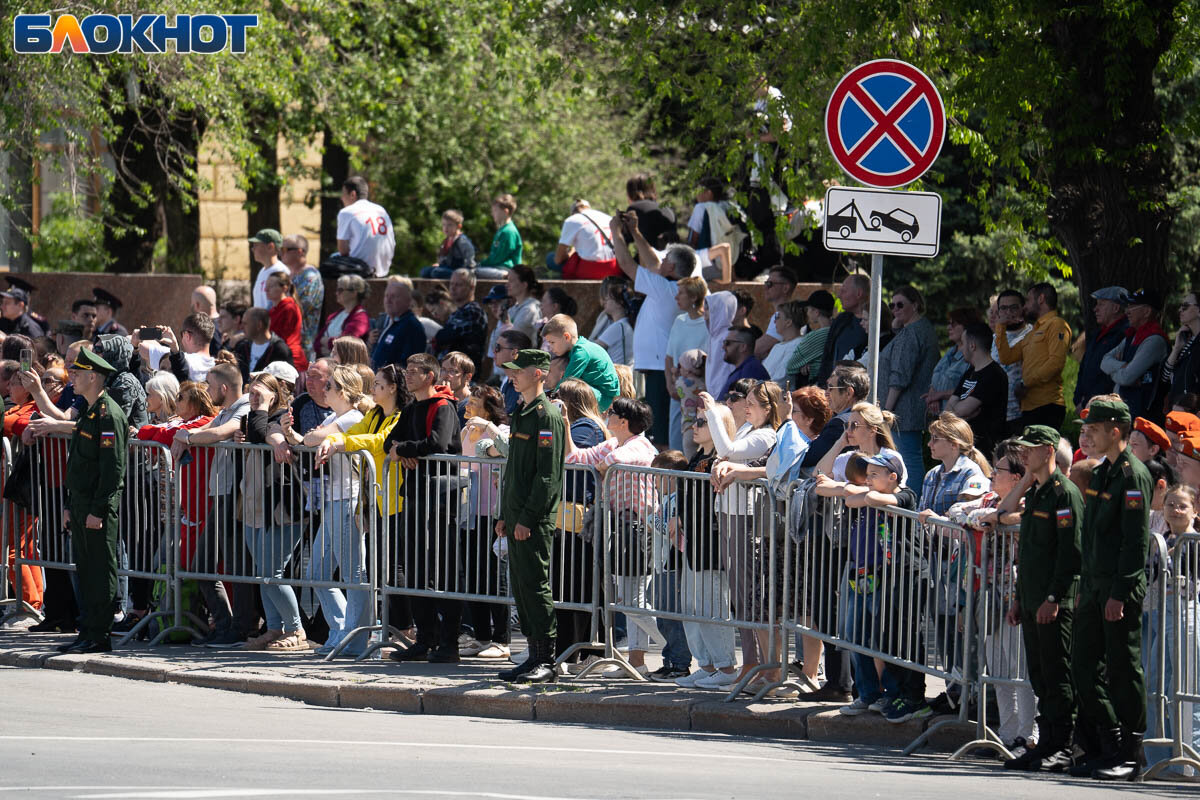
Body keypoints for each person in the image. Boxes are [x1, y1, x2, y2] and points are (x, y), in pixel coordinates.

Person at [1069, 398, 1153, 780]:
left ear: (1114, 431)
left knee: (1122, 670)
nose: (1089, 435)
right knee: (1083, 666)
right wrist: (1087, 585)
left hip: (1118, 587)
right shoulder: (1102, 472)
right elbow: (1092, 536)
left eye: (1095, 429)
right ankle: (1107, 743)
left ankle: (1130, 754)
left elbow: (1134, 543)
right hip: (1094, 584)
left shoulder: (1132, 476)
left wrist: (1120, 592)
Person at [816, 451, 919, 717]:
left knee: (886, 638)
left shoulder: (906, 494)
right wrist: (858, 492)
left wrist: (860, 492)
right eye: (868, 474)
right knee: (855, 636)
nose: (869, 479)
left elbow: (869, 497)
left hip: (889, 575)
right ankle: (867, 692)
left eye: (875, 474)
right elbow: (852, 501)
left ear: (892, 476)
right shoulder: (869, 494)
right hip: (860, 573)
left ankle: (893, 694)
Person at [565, 396, 659, 677]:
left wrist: (602, 465)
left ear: (623, 421)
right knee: (626, 597)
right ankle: (636, 659)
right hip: (620, 529)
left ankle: (650, 652)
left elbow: (611, 463)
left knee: (634, 597)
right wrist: (565, 424)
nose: (606, 415)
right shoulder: (614, 442)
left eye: (611, 413)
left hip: (639, 529)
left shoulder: (639, 444)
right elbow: (575, 458)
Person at [384, 353, 464, 663]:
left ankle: (449, 642)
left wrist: (404, 449)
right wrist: (400, 449)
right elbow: (388, 442)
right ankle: (425, 638)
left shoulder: (443, 407)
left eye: (415, 372)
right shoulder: (411, 408)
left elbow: (438, 444)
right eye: (407, 372)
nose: (408, 377)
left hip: (441, 501)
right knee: (416, 570)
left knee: (444, 571)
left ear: (430, 376)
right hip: (415, 497)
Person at [495, 349, 566, 682]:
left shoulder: (546, 416)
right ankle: (532, 655)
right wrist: (505, 515)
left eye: (519, 370)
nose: (513, 375)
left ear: (538, 373)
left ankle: (546, 660)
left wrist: (525, 518)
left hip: (533, 519)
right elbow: (514, 470)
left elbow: (547, 476)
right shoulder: (522, 412)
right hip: (517, 513)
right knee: (521, 588)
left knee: (536, 587)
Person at [55, 348, 128, 654]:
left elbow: (112, 470)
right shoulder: (88, 409)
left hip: (98, 506)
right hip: (82, 502)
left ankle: (100, 634)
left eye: (78, 373)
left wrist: (98, 510)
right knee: (85, 569)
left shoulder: (108, 413)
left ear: (93, 377)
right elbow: (79, 464)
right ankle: (88, 631)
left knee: (100, 570)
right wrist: (70, 505)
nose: (72, 378)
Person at [294, 365, 369, 657]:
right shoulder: (333, 417)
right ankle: (341, 632)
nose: (324, 390)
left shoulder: (352, 417)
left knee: (353, 574)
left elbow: (312, 439)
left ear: (343, 392)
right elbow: (308, 438)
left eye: (330, 386)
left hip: (348, 500)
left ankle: (356, 640)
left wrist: (312, 436)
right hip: (332, 500)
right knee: (317, 572)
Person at [612, 210, 700, 447]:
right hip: (657, 366)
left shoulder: (665, 288)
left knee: (659, 433)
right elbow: (652, 262)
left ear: (671, 266)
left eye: (665, 260)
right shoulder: (671, 286)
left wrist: (615, 231)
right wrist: (635, 232)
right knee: (659, 429)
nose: (660, 263)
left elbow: (626, 264)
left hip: (660, 369)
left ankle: (664, 479)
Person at [879, 285, 939, 490]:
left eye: (900, 304)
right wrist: (897, 326)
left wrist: (885, 411)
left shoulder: (911, 333)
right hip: (910, 408)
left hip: (902, 410)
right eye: (892, 305)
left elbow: (899, 376)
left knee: (908, 461)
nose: (895, 309)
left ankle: (912, 507)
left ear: (915, 305)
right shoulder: (919, 329)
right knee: (909, 458)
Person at [995, 282, 1071, 430]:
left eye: (1028, 300)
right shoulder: (1032, 333)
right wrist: (1001, 327)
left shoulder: (1057, 324)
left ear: (1041, 299)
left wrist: (1025, 383)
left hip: (1048, 405)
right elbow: (1007, 358)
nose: (1024, 307)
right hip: (1029, 407)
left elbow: (1055, 364)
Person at [1101, 288, 1169, 421]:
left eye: (1132, 306)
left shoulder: (1154, 340)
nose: (1127, 311)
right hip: (1127, 411)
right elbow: (1104, 361)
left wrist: (1114, 371)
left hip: (1143, 416)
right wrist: (1124, 366)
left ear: (1147, 311)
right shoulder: (1131, 336)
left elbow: (1127, 378)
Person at [946, 322, 1009, 460]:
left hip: (984, 452)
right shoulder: (970, 372)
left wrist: (958, 412)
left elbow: (962, 410)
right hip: (964, 447)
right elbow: (948, 410)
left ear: (972, 345)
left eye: (962, 343)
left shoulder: (994, 374)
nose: (960, 348)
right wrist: (959, 413)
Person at [665, 276, 710, 453]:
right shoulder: (679, 321)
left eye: (681, 293)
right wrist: (669, 384)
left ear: (693, 297)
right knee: (675, 440)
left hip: (697, 394)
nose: (677, 297)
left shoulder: (707, 323)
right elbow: (669, 356)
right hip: (677, 391)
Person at [540, 314, 620, 412]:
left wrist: (547, 399)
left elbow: (566, 382)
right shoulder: (578, 349)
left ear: (566, 337)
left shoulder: (581, 352)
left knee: (568, 391)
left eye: (552, 342)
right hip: (595, 393)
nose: (551, 348)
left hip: (602, 398)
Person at [1075, 287, 1130, 410]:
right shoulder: (1098, 334)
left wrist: (1087, 402)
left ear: (1116, 308)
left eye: (1101, 304)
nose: (1095, 309)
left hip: (1105, 407)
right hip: (1089, 404)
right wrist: (1078, 399)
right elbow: (1084, 367)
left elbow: (1109, 377)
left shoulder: (1124, 334)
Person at [990, 290, 1034, 436]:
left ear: (1023, 308)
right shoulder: (996, 337)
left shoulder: (1032, 334)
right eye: (1003, 308)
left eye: (1014, 307)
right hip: (995, 412)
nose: (1009, 312)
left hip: (1021, 413)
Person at [924, 308, 982, 415]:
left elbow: (970, 389)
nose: (948, 327)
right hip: (940, 419)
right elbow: (936, 379)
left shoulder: (972, 356)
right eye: (949, 323)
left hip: (958, 420)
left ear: (967, 326)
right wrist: (933, 395)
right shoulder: (950, 352)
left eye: (953, 324)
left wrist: (940, 395)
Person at [815, 274, 869, 386]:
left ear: (859, 293)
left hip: (856, 389)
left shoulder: (876, 325)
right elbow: (827, 355)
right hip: (832, 388)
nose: (839, 295)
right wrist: (822, 385)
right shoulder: (841, 320)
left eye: (844, 291)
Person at [337, 176, 395, 278]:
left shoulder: (346, 212)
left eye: (343, 194)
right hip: (383, 270)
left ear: (352, 194)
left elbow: (343, 250)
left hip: (359, 270)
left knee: (332, 260)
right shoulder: (381, 210)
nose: (341, 198)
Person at [135, 313, 217, 384]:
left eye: (181, 334)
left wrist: (144, 335)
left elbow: (140, 346)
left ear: (187, 336)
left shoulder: (182, 359)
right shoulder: (216, 366)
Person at [431, 268, 487, 368]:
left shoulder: (474, 311)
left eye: (459, 285)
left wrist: (439, 337)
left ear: (471, 287)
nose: (453, 288)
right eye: (451, 284)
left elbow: (445, 337)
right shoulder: (457, 312)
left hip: (462, 374)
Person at [280, 234, 323, 361]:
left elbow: (301, 307)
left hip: (302, 343)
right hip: (287, 339)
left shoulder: (310, 276)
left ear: (300, 252)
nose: (281, 253)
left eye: (284, 249)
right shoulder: (289, 274)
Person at [551, 200, 618, 279]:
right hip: (615, 268)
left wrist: (572, 251)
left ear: (573, 213)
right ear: (588, 208)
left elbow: (558, 259)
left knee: (550, 258)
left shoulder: (572, 220)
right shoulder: (607, 217)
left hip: (589, 270)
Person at [370, 277, 427, 370]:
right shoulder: (394, 323)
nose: (388, 301)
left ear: (408, 301)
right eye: (386, 296)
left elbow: (408, 366)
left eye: (393, 296)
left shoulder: (411, 326)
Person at [784, 290, 836, 388]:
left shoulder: (814, 336)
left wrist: (808, 365)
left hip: (817, 386)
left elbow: (791, 367)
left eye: (808, 309)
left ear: (816, 312)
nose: (807, 313)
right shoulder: (838, 330)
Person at [232, 307, 294, 384]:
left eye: (245, 323)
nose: (241, 327)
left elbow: (287, 382)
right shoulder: (242, 347)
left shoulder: (279, 350)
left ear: (259, 325)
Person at [313, 275, 368, 360]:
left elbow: (345, 345)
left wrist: (326, 341)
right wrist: (331, 346)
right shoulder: (335, 315)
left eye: (340, 290)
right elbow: (316, 343)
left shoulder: (360, 318)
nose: (336, 293)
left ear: (354, 293)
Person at [264, 272, 309, 372]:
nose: (266, 290)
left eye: (270, 286)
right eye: (266, 286)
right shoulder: (273, 310)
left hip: (291, 361)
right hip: (279, 358)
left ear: (284, 288)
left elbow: (280, 336)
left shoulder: (289, 308)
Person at [1163, 288, 1200, 410]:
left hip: (1192, 414)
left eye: (1185, 306)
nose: (1180, 310)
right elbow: (1166, 377)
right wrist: (1176, 349)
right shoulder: (1186, 341)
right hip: (1177, 411)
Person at [753, 266, 799, 360]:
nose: (765, 287)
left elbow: (757, 349)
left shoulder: (784, 316)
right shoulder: (785, 314)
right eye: (765, 283)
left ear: (785, 288)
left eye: (770, 284)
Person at [624, 173, 677, 249]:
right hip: (672, 257)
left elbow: (624, 241)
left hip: (649, 258)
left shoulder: (634, 209)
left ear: (630, 193)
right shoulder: (668, 210)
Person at [476, 193, 523, 279]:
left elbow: (498, 258)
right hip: (497, 267)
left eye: (495, 211)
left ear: (506, 211)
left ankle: (505, 277)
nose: (492, 214)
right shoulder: (502, 230)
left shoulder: (509, 231)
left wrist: (480, 264)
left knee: (473, 272)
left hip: (506, 269)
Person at [421, 209, 476, 279]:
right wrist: (439, 264)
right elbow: (444, 258)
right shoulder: (446, 240)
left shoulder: (462, 241)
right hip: (446, 268)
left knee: (436, 272)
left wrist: (468, 271)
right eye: (444, 225)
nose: (446, 228)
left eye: (450, 225)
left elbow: (470, 257)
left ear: (459, 226)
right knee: (424, 271)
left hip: (458, 271)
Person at [716, 328, 769, 400]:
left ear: (743, 347)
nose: (723, 347)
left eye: (727, 343)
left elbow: (747, 404)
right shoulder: (746, 368)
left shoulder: (751, 369)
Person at [762, 301, 805, 384]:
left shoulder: (799, 344)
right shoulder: (777, 346)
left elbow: (782, 377)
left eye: (778, 317)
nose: (774, 322)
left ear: (788, 322)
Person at [595, 279, 635, 367]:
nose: (604, 302)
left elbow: (593, 348)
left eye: (608, 298)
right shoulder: (625, 324)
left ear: (619, 303)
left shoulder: (618, 326)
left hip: (617, 374)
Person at [247, 229, 289, 309]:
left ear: (270, 247)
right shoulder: (262, 271)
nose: (252, 249)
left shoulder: (281, 271)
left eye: (256, 245)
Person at [504, 266, 542, 344]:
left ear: (524, 285)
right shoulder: (513, 308)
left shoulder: (529, 309)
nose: (506, 285)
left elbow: (512, 341)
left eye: (511, 281)